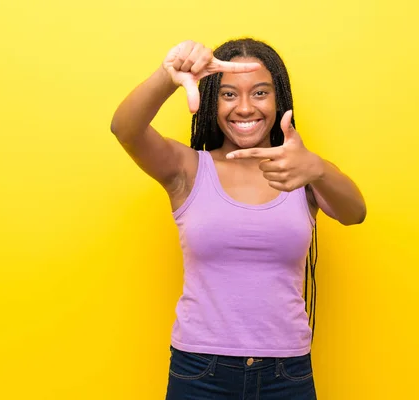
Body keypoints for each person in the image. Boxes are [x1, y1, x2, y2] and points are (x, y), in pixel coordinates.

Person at [110, 38, 366, 400]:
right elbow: (125, 129)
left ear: (279, 102)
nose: (244, 108)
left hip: (286, 373)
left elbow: (355, 213)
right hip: (200, 372)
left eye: (260, 93)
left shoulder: (303, 171)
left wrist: (319, 169)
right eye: (229, 95)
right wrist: (170, 76)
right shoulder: (187, 169)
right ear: (212, 102)